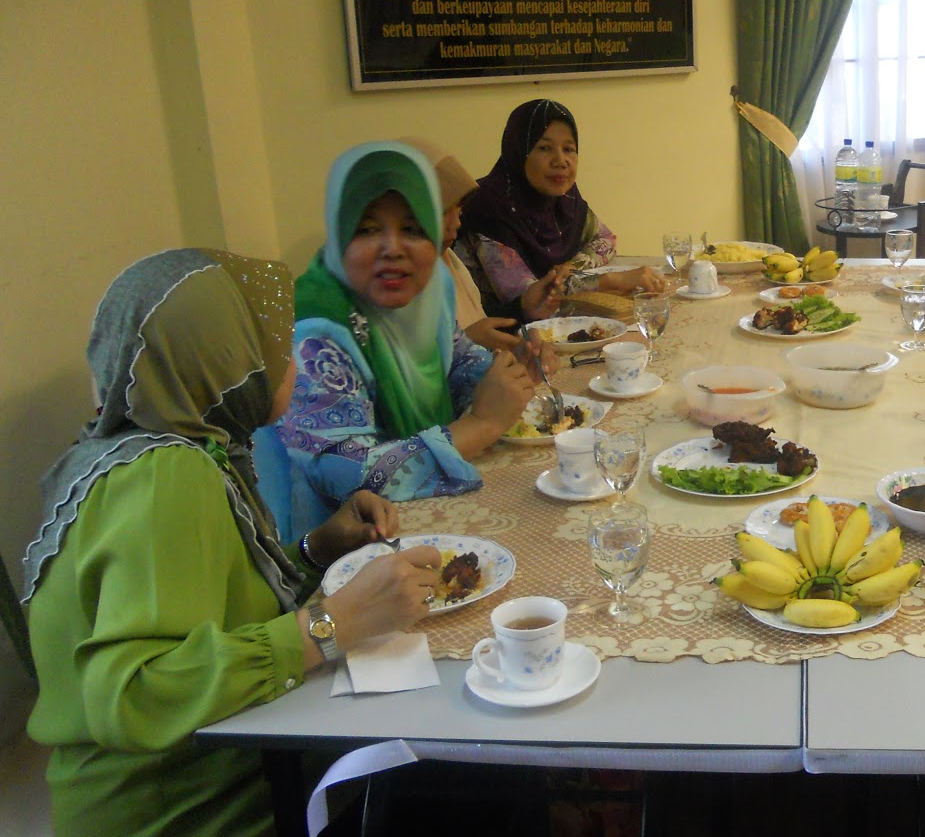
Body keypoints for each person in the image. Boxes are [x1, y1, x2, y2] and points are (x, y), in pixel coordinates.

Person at [22, 248, 440, 837]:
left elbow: (209, 605)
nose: (292, 364)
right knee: (442, 801)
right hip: (178, 833)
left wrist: (317, 548)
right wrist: (327, 628)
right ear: (220, 358)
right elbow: (130, 694)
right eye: (270, 346)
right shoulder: (165, 478)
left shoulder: (171, 446)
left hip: (158, 797)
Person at [272, 141, 536, 542]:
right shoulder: (315, 332)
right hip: (344, 546)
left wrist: (509, 373)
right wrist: (482, 424)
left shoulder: (432, 286)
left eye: (413, 229)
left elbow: (459, 362)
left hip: (431, 516)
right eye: (366, 229)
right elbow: (348, 474)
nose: (392, 249)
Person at [456, 98, 665, 320]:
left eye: (569, 149)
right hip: (492, 340)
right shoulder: (489, 208)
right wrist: (611, 281)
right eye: (545, 148)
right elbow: (533, 298)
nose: (561, 161)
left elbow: (606, 239)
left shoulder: (564, 200)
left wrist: (569, 268)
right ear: (518, 151)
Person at [397, 134, 561, 375]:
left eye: (459, 210)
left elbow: (477, 322)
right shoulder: (392, 284)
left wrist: (521, 324)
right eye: (443, 212)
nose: (456, 224)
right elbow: (404, 376)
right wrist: (466, 343)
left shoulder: (448, 261)